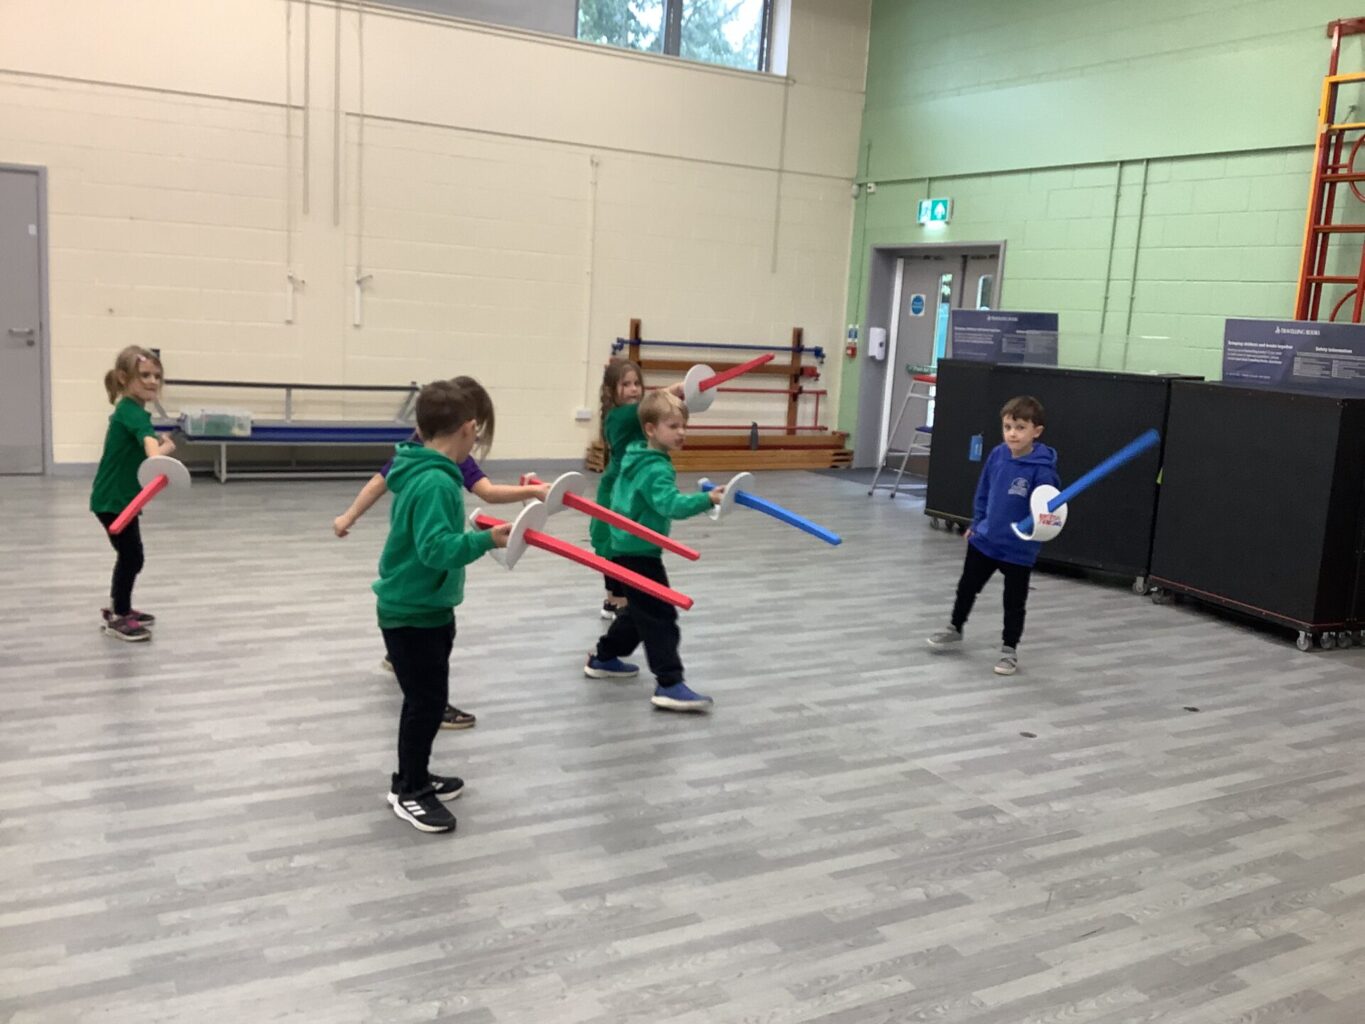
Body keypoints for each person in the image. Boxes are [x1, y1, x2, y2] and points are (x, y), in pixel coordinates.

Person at [335, 376, 547, 729]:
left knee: (417, 639)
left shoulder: (418, 453)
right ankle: (431, 708)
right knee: (425, 686)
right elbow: (476, 504)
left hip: (413, 592)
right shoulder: (436, 470)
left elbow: (382, 482)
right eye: (475, 428)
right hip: (419, 596)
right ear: (466, 427)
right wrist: (527, 501)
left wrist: (348, 517)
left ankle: (402, 661)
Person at [374, 378, 510, 833]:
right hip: (413, 612)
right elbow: (435, 550)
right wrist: (485, 540)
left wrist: (477, 539)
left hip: (425, 607)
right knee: (425, 704)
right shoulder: (435, 482)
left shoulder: (425, 472)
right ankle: (409, 790)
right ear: (469, 428)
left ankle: (414, 774)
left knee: (428, 703)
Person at [584, 390, 721, 711]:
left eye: (684, 426)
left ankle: (604, 657)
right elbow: (671, 505)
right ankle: (669, 683)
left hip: (625, 546)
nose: (682, 432)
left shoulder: (636, 456)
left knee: (639, 612)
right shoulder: (656, 468)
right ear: (650, 429)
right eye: (673, 426)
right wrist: (707, 500)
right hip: (640, 552)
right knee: (661, 616)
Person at [926, 395, 1060, 676]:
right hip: (985, 539)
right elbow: (984, 491)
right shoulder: (998, 455)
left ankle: (1009, 650)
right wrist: (977, 523)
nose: (1013, 433)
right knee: (967, 587)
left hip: (1018, 548)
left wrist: (1045, 510)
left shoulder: (1042, 469)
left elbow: (1049, 505)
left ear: (1036, 431)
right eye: (1008, 427)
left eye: (1020, 428)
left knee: (1014, 602)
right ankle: (955, 627)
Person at [90, 346, 177, 642]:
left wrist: (163, 448)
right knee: (131, 557)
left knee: (131, 556)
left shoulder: (132, 411)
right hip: (113, 500)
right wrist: (159, 451)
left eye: (157, 376)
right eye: (145, 375)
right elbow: (148, 448)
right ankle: (118, 615)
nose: (153, 381)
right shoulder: (132, 413)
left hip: (123, 498)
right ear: (123, 378)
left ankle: (121, 607)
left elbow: (145, 451)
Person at [590, 358, 685, 620]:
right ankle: (617, 601)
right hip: (617, 488)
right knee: (613, 546)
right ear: (611, 390)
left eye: (636, 384)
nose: (633, 389)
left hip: (629, 485)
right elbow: (649, 407)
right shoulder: (620, 416)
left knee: (621, 545)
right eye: (626, 384)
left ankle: (616, 600)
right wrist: (674, 390)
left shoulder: (633, 414)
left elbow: (653, 410)